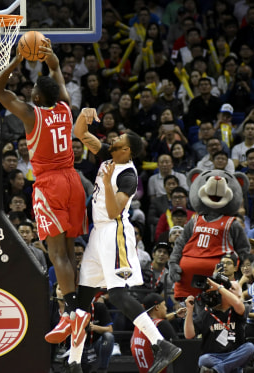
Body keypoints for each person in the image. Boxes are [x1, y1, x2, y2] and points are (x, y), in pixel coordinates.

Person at [0, 39, 90, 370]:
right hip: (73, 181)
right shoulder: (65, 108)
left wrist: (17, 59)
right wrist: (51, 61)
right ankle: (74, 310)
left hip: (49, 184)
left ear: (35, 98)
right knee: (70, 249)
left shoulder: (32, 115)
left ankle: (70, 312)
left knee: (56, 253)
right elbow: (58, 73)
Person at [74, 109, 181, 372]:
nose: (114, 140)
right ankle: (74, 362)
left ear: (128, 150)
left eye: (120, 139)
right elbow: (80, 133)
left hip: (114, 232)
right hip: (97, 233)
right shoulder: (109, 154)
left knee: (118, 295)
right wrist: (84, 115)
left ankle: (161, 345)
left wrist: (109, 182)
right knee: (83, 297)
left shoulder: (128, 176)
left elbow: (113, 211)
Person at [184, 277, 254, 373]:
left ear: (239, 295)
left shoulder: (239, 309)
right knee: (203, 359)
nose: (228, 290)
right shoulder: (207, 313)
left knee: (250, 348)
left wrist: (218, 287)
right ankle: (225, 367)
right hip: (215, 357)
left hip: (235, 354)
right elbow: (189, 335)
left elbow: (237, 303)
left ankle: (217, 370)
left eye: (232, 289)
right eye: (227, 288)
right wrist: (189, 310)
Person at [131, 293, 182, 373]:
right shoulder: (162, 324)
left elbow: (154, 322)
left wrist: (175, 315)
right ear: (157, 307)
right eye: (164, 305)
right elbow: (178, 350)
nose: (166, 309)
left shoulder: (138, 326)